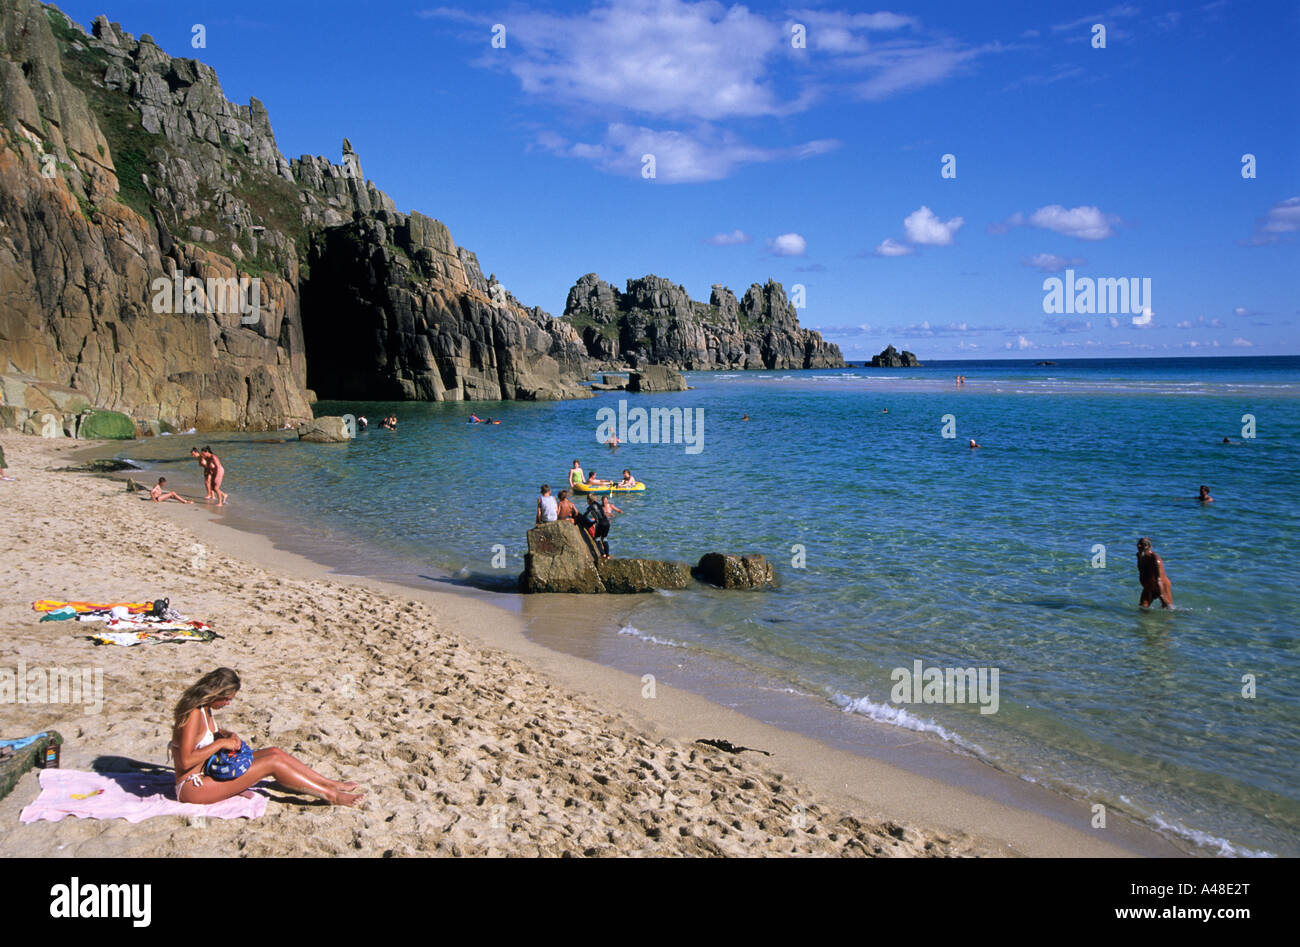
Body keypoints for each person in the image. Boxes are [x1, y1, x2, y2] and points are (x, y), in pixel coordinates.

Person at [170, 668, 363, 806]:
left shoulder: (205, 708)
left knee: (274, 752)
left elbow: (205, 736)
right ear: (215, 693)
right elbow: (187, 760)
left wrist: (227, 735)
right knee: (272, 764)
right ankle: (332, 796)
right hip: (194, 787)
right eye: (227, 699)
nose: (228, 703)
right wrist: (222, 742)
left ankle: (329, 783)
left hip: (209, 773)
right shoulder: (193, 713)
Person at [1136, 537, 1173, 609]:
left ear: (1148, 546)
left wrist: (1161, 595)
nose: (1138, 546)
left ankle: (1184, 615)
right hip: (1149, 585)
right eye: (1138, 543)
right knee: (1142, 608)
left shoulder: (1155, 559)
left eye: (1142, 544)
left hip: (1162, 585)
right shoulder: (1139, 555)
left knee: (1169, 608)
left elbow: (1159, 579)